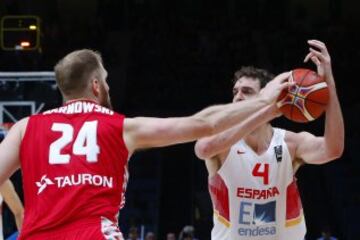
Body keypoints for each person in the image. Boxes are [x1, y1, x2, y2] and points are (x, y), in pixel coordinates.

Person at [0, 49, 291, 240]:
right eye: (106, 80)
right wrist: (265, 101)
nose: (109, 86)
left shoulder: (25, 128)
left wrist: (21, 211)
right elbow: (204, 124)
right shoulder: (122, 127)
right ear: (96, 85)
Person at [194, 40, 344, 240]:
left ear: (269, 96)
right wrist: (266, 112)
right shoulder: (222, 143)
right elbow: (203, 149)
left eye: (246, 91)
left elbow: (332, 149)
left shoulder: (290, 144)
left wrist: (328, 87)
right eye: (235, 91)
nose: (237, 97)